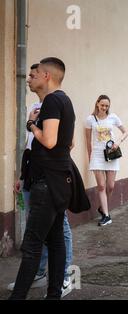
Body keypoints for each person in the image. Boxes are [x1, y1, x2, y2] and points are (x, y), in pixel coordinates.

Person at [10, 57, 76, 300]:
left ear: (47, 76)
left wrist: (32, 125)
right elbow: (67, 143)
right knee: (56, 240)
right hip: (57, 181)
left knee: (32, 245)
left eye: (33, 75)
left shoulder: (51, 101)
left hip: (46, 184)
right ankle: (53, 295)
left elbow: (48, 140)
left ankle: (17, 296)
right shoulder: (64, 100)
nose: (29, 79)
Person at [85, 95, 128, 226]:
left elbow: (125, 132)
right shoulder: (90, 119)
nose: (104, 108)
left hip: (111, 154)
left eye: (106, 106)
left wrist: (118, 142)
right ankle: (107, 215)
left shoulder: (113, 117)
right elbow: (88, 141)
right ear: (97, 104)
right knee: (102, 186)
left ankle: (102, 208)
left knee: (110, 186)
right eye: (102, 105)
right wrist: (90, 157)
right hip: (97, 155)